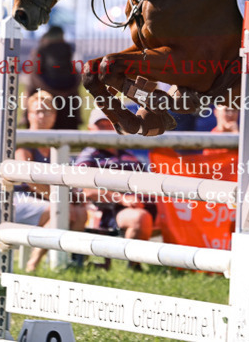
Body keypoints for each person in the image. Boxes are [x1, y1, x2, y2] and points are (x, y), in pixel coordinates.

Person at [13, 90, 87, 272]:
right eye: (37, 111)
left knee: (80, 212)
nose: (42, 116)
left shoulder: (57, 142)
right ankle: (34, 265)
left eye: (47, 112)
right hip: (18, 199)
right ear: (29, 115)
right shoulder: (24, 141)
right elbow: (27, 179)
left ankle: (68, 261)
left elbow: (66, 177)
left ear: (54, 116)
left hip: (50, 199)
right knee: (60, 210)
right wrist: (58, 198)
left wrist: (73, 195)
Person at [74, 109, 155, 269]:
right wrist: (122, 199)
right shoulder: (88, 156)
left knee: (163, 214)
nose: (106, 130)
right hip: (101, 211)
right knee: (140, 218)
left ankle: (135, 265)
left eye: (110, 125)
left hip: (131, 207)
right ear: (91, 129)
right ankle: (131, 266)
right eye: (101, 126)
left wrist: (142, 200)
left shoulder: (129, 155)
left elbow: (148, 184)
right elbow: (86, 191)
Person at [22, 25, 82, 130]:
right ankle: (77, 117)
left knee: (30, 89)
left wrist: (48, 89)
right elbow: (73, 69)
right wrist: (72, 87)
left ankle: (25, 116)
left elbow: (34, 74)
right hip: (67, 91)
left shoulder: (41, 49)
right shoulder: (67, 48)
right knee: (75, 97)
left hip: (45, 88)